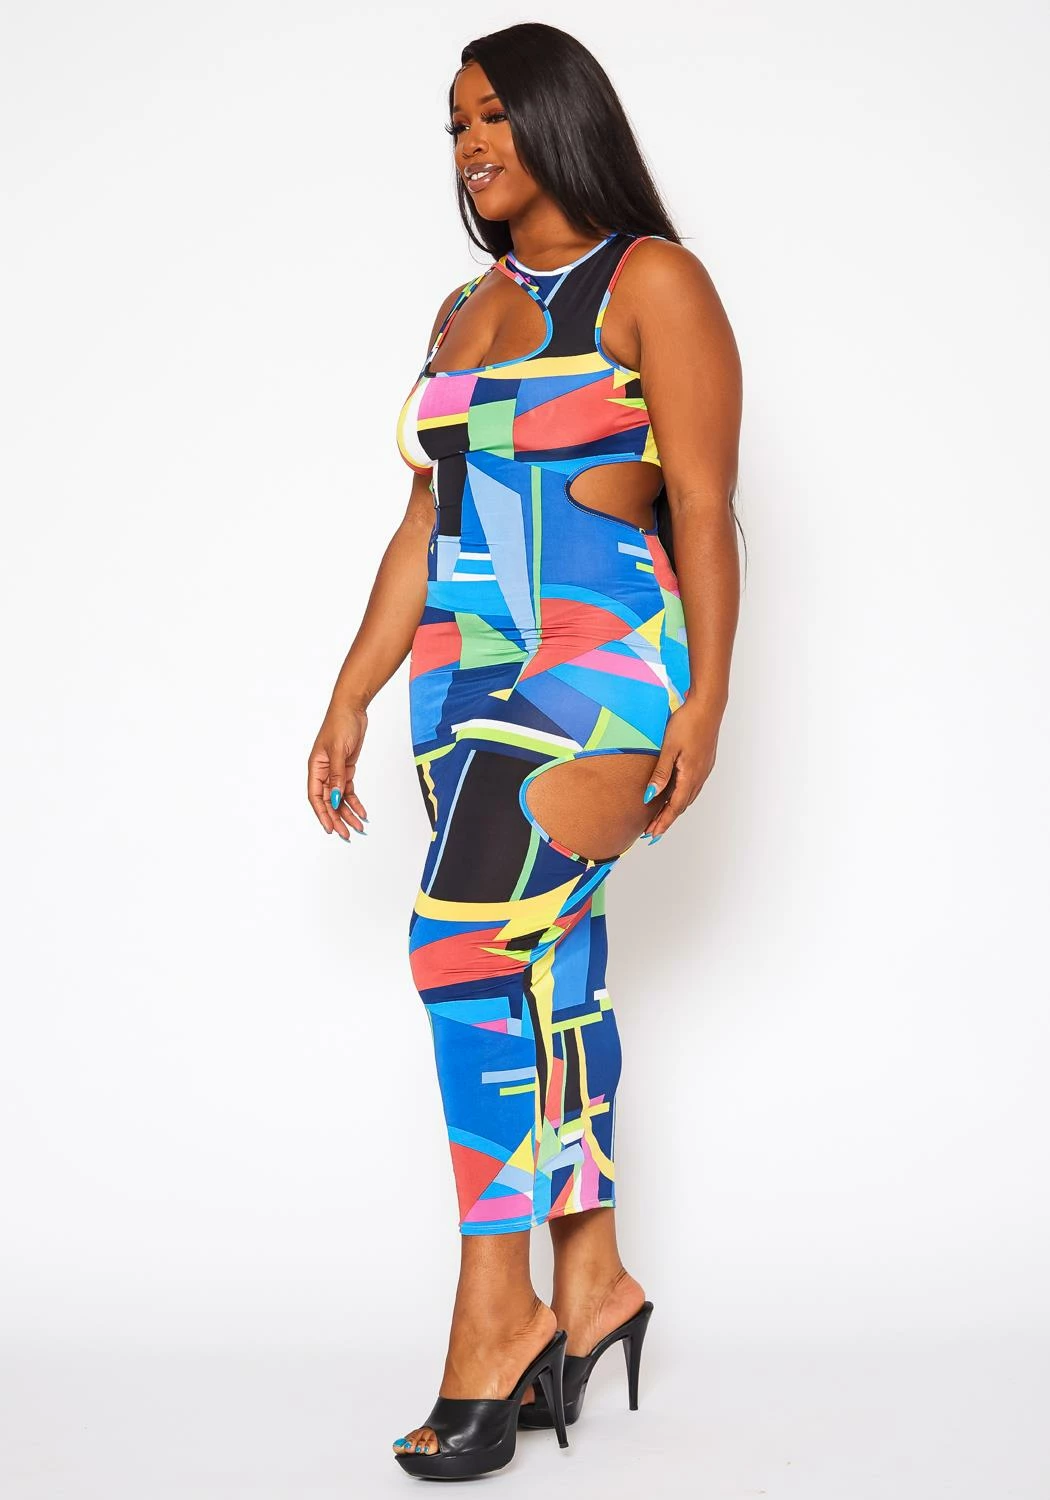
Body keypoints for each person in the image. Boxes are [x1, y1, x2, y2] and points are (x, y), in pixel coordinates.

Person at [307, 21, 743, 1481]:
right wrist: (352, 693)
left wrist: (707, 703)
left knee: (457, 949)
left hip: (595, 669)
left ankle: (495, 1313)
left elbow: (705, 506)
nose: (470, 145)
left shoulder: (652, 282)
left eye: (493, 114)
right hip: (457, 678)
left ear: (560, 117)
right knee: (552, 972)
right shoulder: (459, 308)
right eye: (453, 124)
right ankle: (595, 1281)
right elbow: (423, 522)